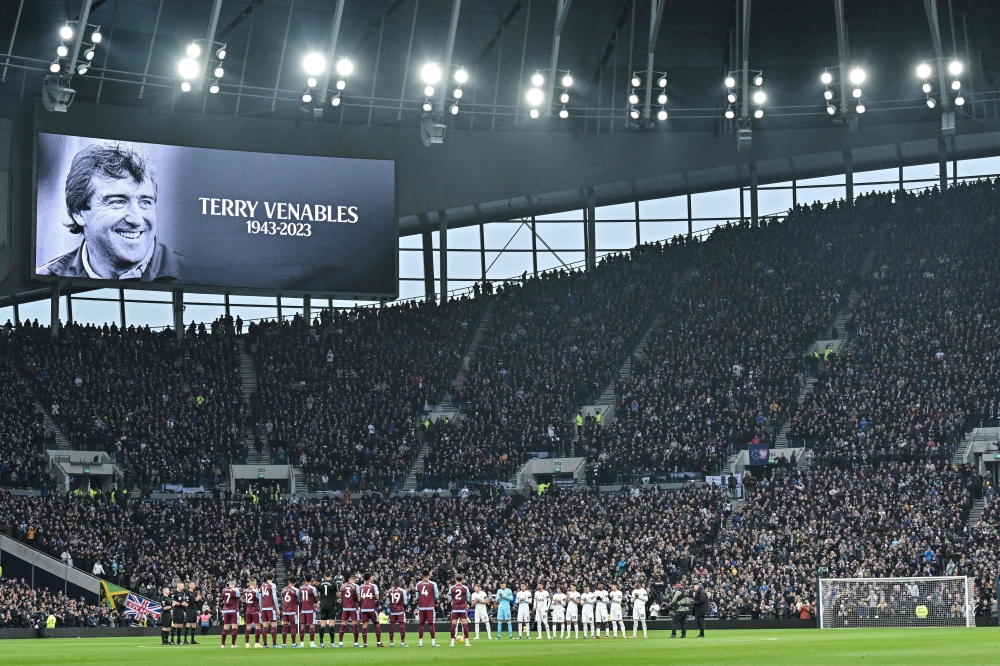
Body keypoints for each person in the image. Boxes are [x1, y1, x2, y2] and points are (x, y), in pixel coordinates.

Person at [37, 141, 183, 282]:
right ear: (78, 212)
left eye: (145, 202)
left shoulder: (196, 275)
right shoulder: (44, 281)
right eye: (118, 202)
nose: (137, 219)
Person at [358, 573, 384, 647]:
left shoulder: (361, 587)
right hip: (371, 608)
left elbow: (359, 598)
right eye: (372, 577)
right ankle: (379, 643)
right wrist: (372, 598)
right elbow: (377, 597)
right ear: (370, 578)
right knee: (377, 624)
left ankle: (365, 644)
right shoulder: (374, 586)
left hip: (363, 609)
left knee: (364, 625)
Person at [415, 570, 439, 647]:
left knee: (421, 625)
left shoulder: (418, 584)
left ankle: (420, 643)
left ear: (422, 575)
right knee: (431, 625)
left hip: (421, 607)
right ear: (429, 575)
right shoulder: (433, 584)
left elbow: (417, 597)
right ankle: (433, 642)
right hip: (430, 607)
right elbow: (437, 596)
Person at [337, 573, 361, 647]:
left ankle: (340, 643)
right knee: (355, 624)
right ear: (353, 580)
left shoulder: (342, 586)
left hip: (345, 607)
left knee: (343, 624)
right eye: (356, 580)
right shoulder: (356, 586)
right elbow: (359, 598)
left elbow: (340, 596)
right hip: (353, 607)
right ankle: (356, 643)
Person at [448, 574, 471, 647]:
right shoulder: (465, 588)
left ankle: (452, 642)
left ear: (455, 579)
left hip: (455, 609)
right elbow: (468, 599)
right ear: (462, 580)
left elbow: (449, 599)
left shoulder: (451, 588)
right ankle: (467, 642)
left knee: (453, 625)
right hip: (462, 609)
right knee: (465, 625)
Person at [316, 571, 337, 647]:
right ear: (331, 575)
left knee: (322, 624)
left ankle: (321, 643)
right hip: (331, 605)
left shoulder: (320, 584)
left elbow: (319, 595)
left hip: (323, 605)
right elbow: (337, 594)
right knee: (331, 624)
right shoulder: (333, 583)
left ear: (324, 575)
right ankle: (332, 643)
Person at [386, 578, 408, 647]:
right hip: (400, 611)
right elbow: (405, 602)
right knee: (402, 626)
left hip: (392, 611)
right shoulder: (402, 591)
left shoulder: (389, 591)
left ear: (393, 584)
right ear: (399, 584)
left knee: (392, 626)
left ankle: (391, 643)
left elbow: (387, 602)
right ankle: (402, 643)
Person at [260, 573, 279, 648]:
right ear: (273, 578)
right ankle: (274, 644)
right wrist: (277, 608)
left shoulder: (262, 586)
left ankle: (265, 644)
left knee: (264, 626)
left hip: (264, 608)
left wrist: (261, 608)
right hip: (271, 608)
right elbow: (274, 597)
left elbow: (260, 598)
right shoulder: (273, 585)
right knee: (274, 625)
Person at [299, 575, 319, 647]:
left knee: (302, 626)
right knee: (312, 626)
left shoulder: (300, 588)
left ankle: (301, 643)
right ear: (311, 580)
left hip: (303, 609)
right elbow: (316, 598)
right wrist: (316, 601)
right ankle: (312, 643)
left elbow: (299, 598)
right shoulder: (313, 588)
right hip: (310, 609)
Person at [280, 575, 300, 648]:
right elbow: (299, 600)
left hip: (285, 611)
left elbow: (283, 598)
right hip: (292, 611)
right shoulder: (296, 590)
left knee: (285, 627)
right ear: (295, 582)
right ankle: (294, 644)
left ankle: (284, 644)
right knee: (293, 626)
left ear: (288, 581)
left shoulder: (283, 589)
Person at [220, 579, 240, 649]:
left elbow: (223, 598)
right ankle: (233, 644)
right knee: (234, 627)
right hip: (234, 610)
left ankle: (223, 644)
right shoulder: (236, 590)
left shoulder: (224, 590)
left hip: (226, 610)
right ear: (234, 583)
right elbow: (239, 598)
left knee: (225, 627)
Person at [243, 579, 262, 648]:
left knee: (248, 627)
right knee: (258, 627)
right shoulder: (256, 591)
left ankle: (247, 644)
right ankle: (256, 644)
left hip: (248, 611)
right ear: (255, 584)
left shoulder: (245, 591)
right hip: (255, 611)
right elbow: (259, 600)